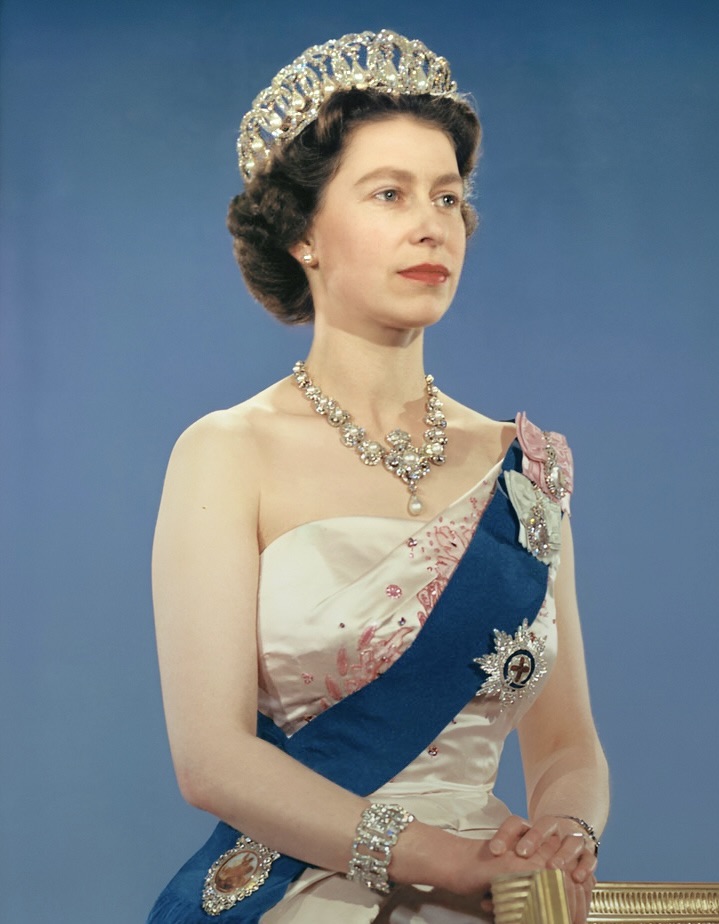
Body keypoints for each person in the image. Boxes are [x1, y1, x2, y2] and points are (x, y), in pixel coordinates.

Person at [146, 30, 609, 924]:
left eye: (448, 195)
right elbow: (211, 759)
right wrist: (443, 859)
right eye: (388, 193)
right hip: (307, 894)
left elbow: (567, 743)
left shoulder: (524, 468)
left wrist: (564, 837)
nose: (431, 223)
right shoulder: (227, 451)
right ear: (303, 233)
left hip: (503, 899)